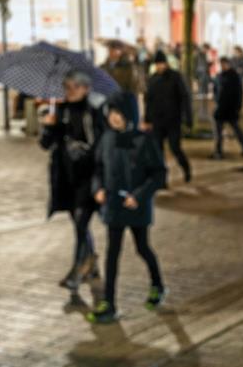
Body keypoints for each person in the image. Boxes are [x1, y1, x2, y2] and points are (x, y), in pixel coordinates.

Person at [86, 99, 168, 323]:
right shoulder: (107, 138)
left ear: (129, 115)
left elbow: (159, 174)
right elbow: (98, 168)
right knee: (112, 254)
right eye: (111, 113)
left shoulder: (144, 140)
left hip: (136, 207)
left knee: (142, 248)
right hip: (113, 205)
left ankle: (157, 285)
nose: (114, 117)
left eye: (118, 113)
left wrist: (139, 196)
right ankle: (109, 303)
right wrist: (98, 189)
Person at [40, 70, 106, 290]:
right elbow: (46, 144)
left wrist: (83, 151)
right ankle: (91, 263)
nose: (69, 92)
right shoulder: (61, 110)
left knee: (80, 220)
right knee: (78, 222)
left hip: (88, 176)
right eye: (66, 87)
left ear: (86, 89)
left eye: (74, 87)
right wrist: (49, 126)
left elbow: (100, 145)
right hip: (66, 176)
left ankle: (78, 269)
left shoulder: (94, 112)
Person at [143, 50, 193, 184]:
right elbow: (148, 101)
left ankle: (186, 169)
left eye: (162, 63)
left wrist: (188, 118)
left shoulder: (175, 77)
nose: (160, 66)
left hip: (173, 120)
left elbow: (184, 98)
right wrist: (147, 119)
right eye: (158, 64)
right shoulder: (152, 79)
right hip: (157, 121)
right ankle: (162, 179)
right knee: (158, 152)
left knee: (175, 148)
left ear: (166, 63)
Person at [211, 57, 243, 159]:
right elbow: (215, 90)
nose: (223, 66)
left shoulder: (234, 77)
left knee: (236, 129)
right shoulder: (219, 76)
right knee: (218, 132)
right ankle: (218, 151)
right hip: (221, 108)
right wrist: (217, 100)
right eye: (221, 64)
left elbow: (239, 93)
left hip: (231, 109)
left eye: (224, 64)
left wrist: (238, 107)